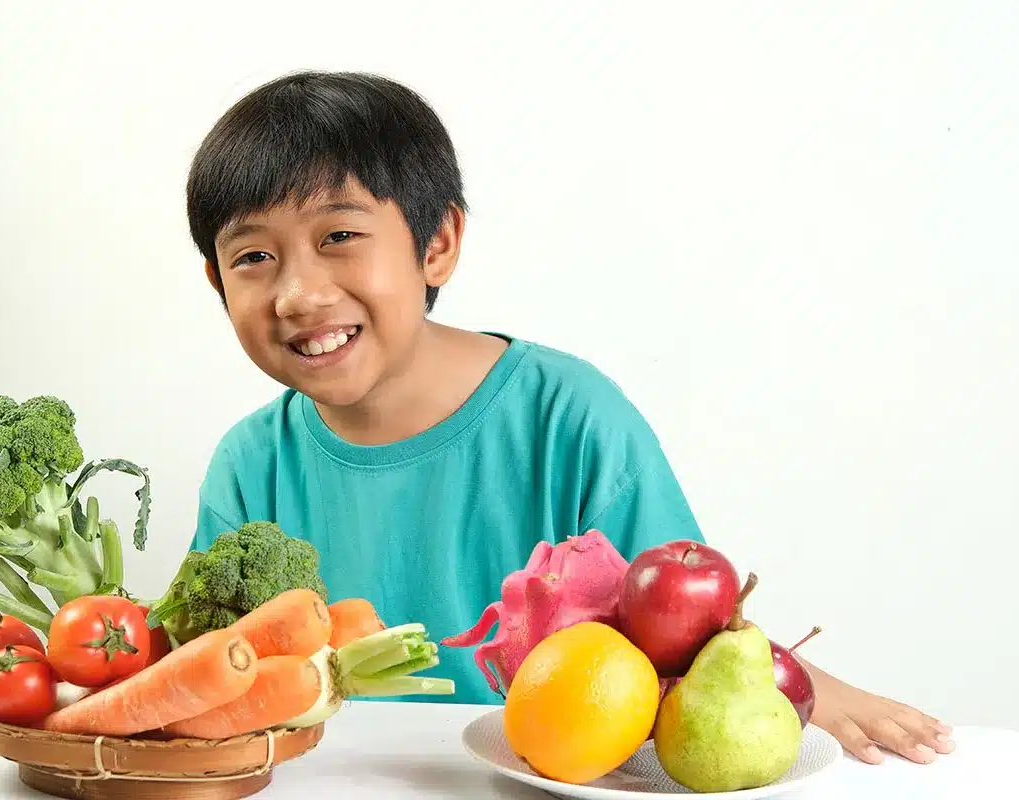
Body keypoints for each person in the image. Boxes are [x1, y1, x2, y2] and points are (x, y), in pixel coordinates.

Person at [184, 69, 953, 767]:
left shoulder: (571, 420)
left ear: (437, 243)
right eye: (254, 258)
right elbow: (215, 675)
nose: (299, 294)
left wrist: (799, 681)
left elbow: (686, 628)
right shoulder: (249, 466)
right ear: (218, 283)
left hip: (548, 778)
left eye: (339, 237)